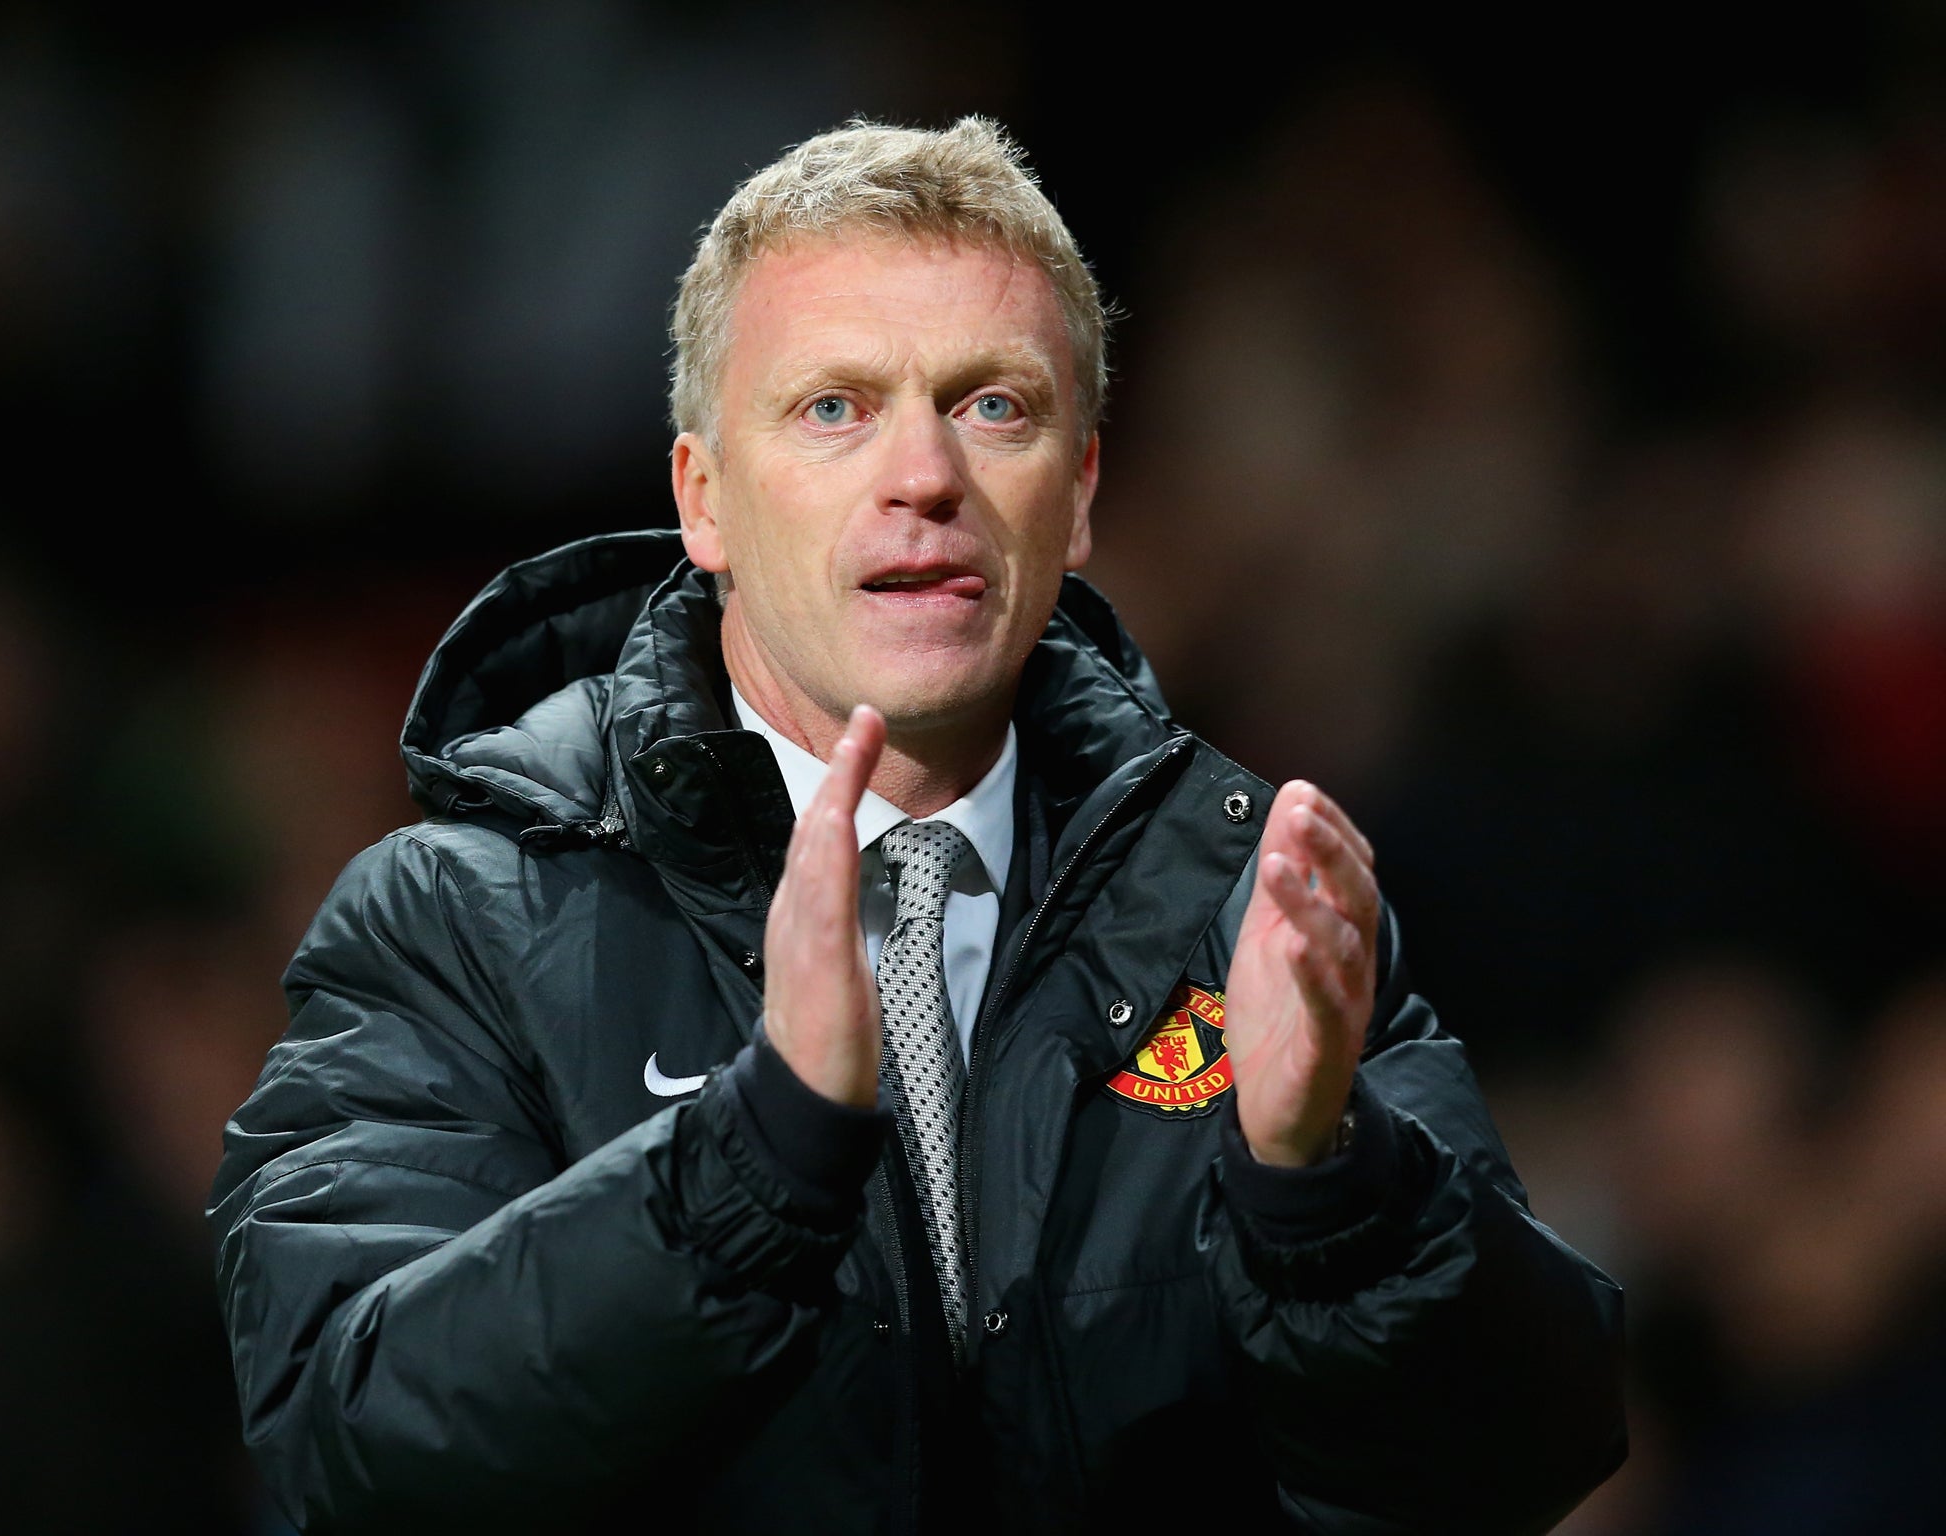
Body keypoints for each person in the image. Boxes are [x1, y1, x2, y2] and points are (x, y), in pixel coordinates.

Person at [209, 118, 1625, 1534]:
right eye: (834, 408)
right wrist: (759, 1154)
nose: (924, 477)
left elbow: (1524, 1462)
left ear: (1076, 498)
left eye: (993, 406)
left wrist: (1328, 1189)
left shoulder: (1244, 901)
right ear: (703, 498)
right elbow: (356, 1447)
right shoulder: (458, 921)